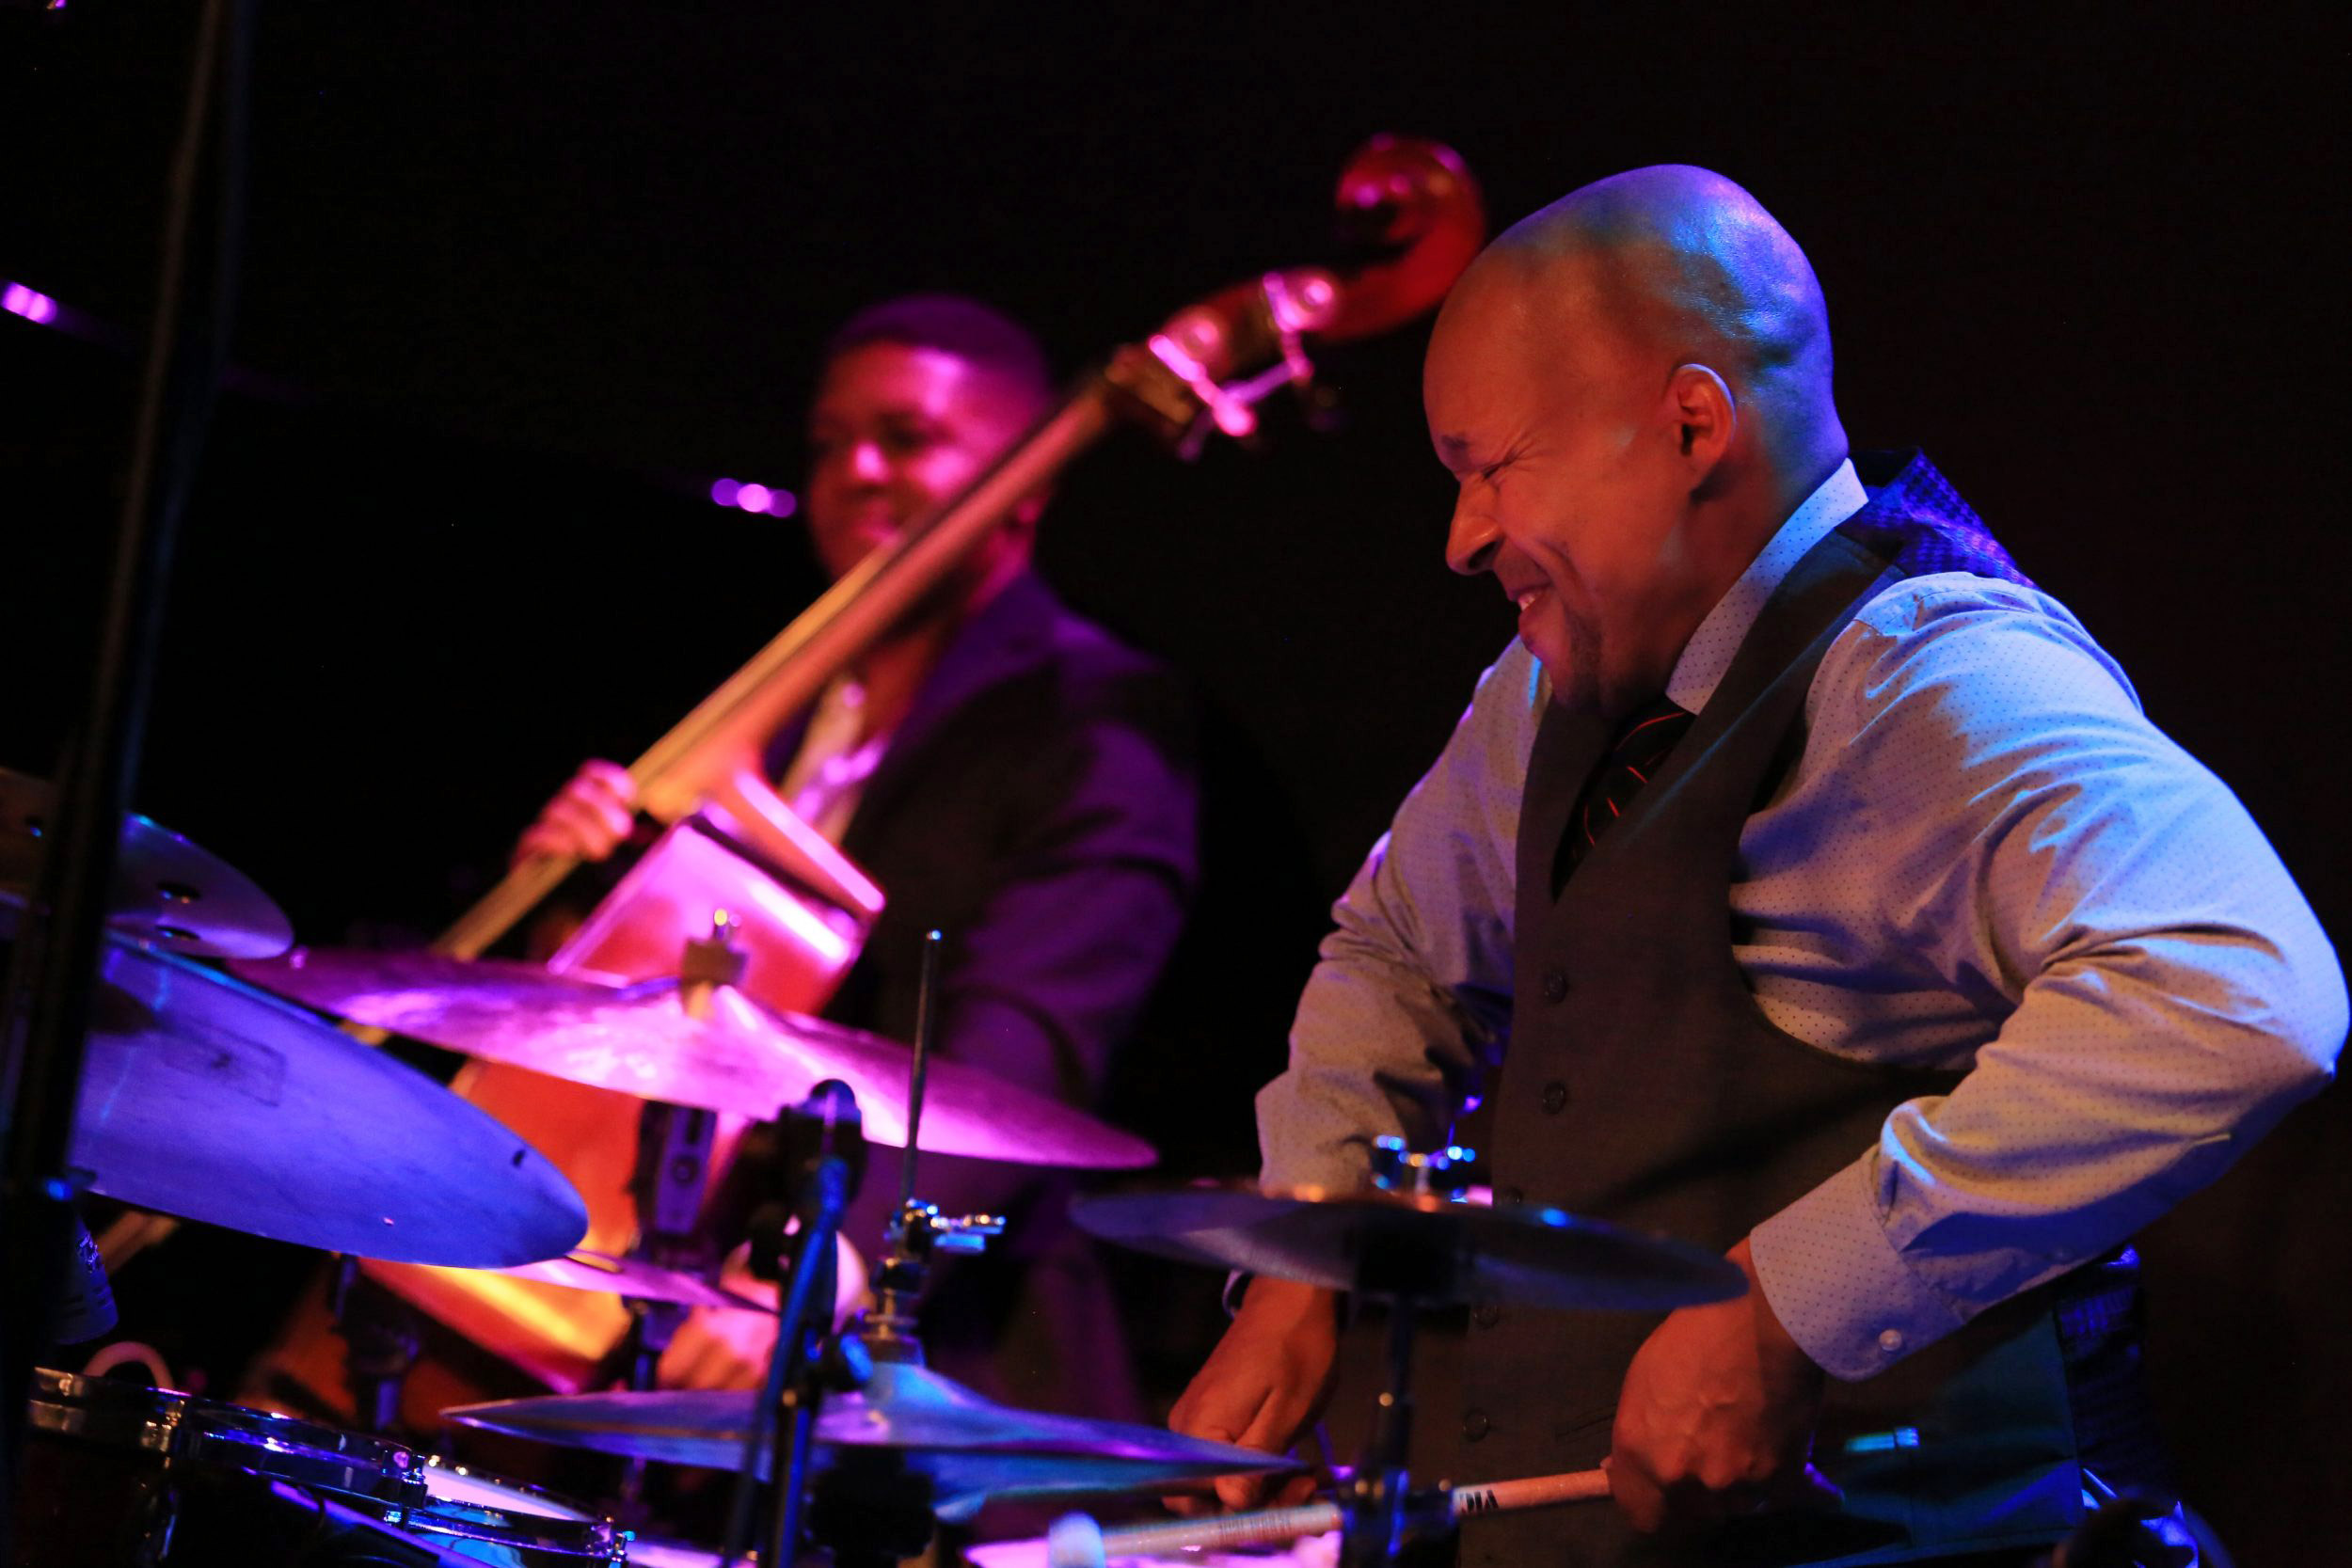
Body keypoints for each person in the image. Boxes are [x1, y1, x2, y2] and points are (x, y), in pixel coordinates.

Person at [1168, 166, 2344, 1567]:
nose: (1463, 535)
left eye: (1493, 467)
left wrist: (1792, 1298)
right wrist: (1310, 1252)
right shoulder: (1550, 695)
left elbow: (2243, 990)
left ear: (1688, 422)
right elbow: (1398, 949)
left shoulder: (1924, 675)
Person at [510, 293, 1202, 1418]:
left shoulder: (1101, 714)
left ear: (1027, 480)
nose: (856, 471)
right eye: (831, 443)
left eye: (909, 438)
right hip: (663, 1296)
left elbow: (1026, 1038)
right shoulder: (773, 711)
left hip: (916, 1357)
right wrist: (579, 906)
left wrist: (836, 1257)